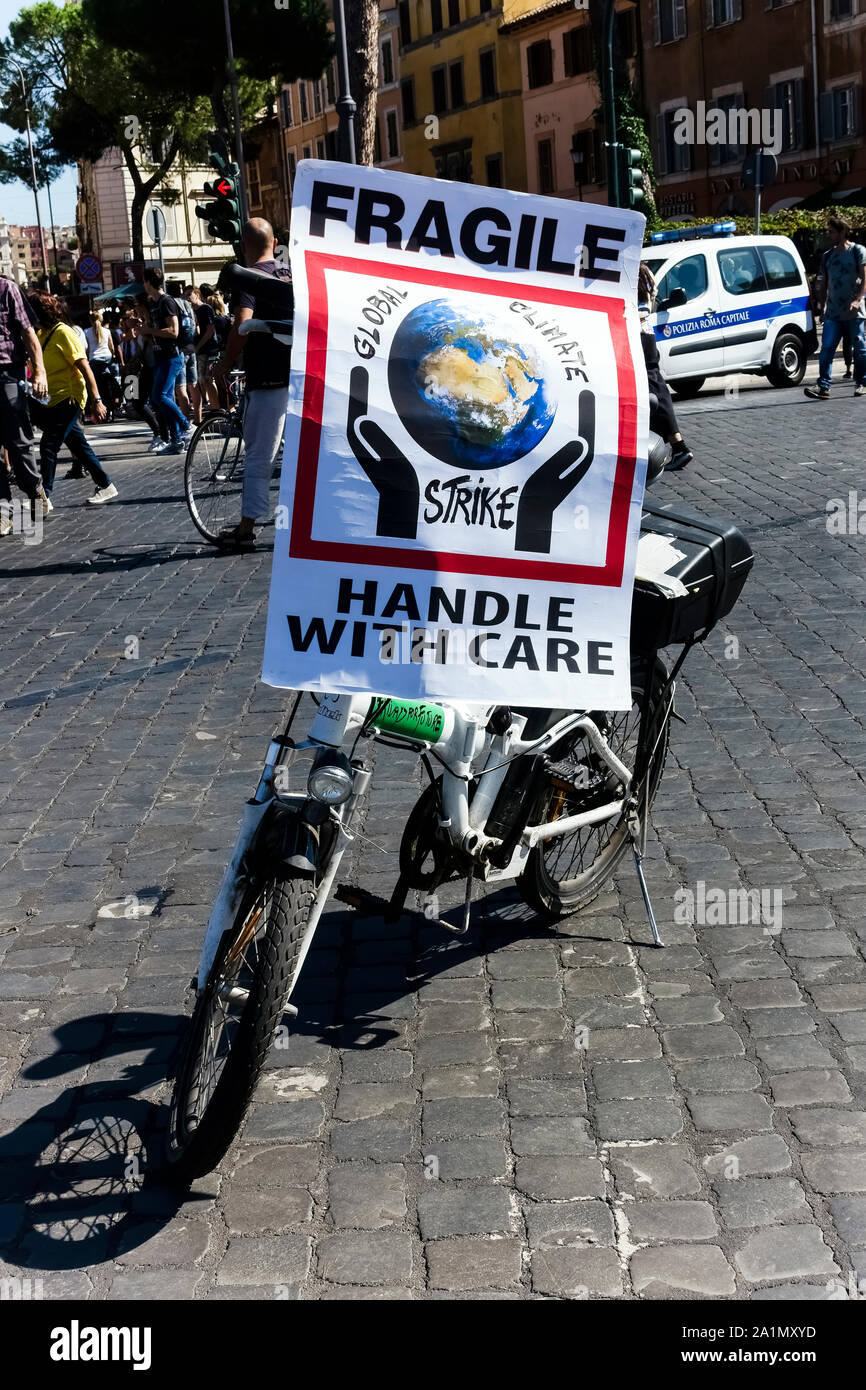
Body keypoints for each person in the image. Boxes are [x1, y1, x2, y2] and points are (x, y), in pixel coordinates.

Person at [213, 219, 292, 547]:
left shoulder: (251, 278)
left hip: (270, 379)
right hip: (301, 377)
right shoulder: (291, 274)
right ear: (275, 243)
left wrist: (225, 363)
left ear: (244, 247)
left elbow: (242, 325)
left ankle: (246, 529)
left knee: (259, 456)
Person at [27, 291, 117, 506]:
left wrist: (97, 400)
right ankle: (106, 485)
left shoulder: (64, 333)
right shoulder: (38, 335)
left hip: (69, 397)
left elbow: (85, 368)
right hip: (49, 399)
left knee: (48, 445)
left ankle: (44, 497)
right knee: (78, 445)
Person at [0, 272, 50, 525]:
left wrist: (39, 371)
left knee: (18, 441)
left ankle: (34, 489)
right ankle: (3, 512)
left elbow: (29, 333)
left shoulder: (6, 289)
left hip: (8, 371)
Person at [638, 263, 693, 471]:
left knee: (655, 385)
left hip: (638, 332)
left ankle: (678, 446)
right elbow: (652, 299)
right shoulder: (645, 272)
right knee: (652, 385)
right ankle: (664, 446)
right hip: (646, 332)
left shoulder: (631, 272)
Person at [805, 216, 866, 399]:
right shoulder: (827, 256)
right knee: (827, 348)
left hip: (855, 310)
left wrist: (858, 299)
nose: (828, 234)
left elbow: (865, 278)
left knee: (860, 348)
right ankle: (823, 386)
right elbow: (823, 282)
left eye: (831, 231)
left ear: (842, 232)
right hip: (833, 311)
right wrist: (822, 305)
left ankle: (862, 382)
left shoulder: (857, 251)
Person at [138, 267, 191, 452]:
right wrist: (145, 333)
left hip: (171, 357)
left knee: (158, 397)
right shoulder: (155, 304)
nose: (143, 285)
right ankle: (176, 441)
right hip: (161, 357)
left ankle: (186, 426)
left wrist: (149, 331)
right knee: (164, 398)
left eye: (144, 281)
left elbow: (173, 331)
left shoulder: (166, 302)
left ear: (149, 282)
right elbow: (158, 333)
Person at [187, 286, 220, 413]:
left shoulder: (205, 308)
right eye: (186, 295)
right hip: (199, 350)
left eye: (190, 294)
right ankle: (212, 406)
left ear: (197, 294)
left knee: (208, 378)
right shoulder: (191, 311)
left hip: (210, 349)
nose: (188, 297)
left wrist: (198, 346)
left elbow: (210, 330)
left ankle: (216, 407)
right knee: (201, 380)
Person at [85, 309, 120, 420]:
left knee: (96, 386)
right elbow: (112, 347)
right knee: (112, 383)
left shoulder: (87, 331)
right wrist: (113, 356)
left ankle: (97, 408)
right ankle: (115, 405)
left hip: (94, 360)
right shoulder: (107, 331)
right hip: (107, 359)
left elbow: (87, 349)